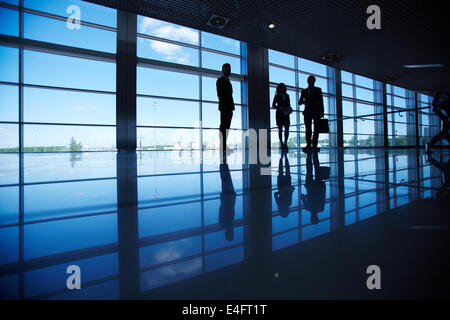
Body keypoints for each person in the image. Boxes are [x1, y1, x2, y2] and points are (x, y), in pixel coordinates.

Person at [299, 75, 324, 151]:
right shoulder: (304, 91)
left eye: (312, 81)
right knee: (308, 129)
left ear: (314, 81)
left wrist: (322, 112)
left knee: (316, 129)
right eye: (310, 80)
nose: (311, 82)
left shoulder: (318, 90)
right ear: (307, 81)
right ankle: (309, 145)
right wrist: (303, 102)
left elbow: (321, 102)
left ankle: (314, 145)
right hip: (307, 112)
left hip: (316, 112)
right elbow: (299, 102)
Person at [301, 150, 326, 224]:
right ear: (311, 218)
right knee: (309, 169)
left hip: (318, 187)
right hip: (310, 187)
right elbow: (303, 197)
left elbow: (322, 196)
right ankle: (309, 155)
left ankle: (314, 155)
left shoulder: (321, 209)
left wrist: (323, 186)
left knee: (317, 168)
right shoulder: (307, 208)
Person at [216, 63, 235, 154]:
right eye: (226, 69)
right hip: (224, 107)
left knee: (227, 127)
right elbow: (220, 94)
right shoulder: (220, 80)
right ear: (222, 70)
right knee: (223, 126)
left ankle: (224, 146)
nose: (228, 70)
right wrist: (225, 106)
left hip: (229, 107)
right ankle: (222, 146)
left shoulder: (228, 81)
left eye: (229, 69)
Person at [219, 162, 236, 241]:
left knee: (226, 179)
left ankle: (223, 164)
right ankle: (223, 164)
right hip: (227, 198)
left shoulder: (226, 224)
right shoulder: (226, 224)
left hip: (228, 198)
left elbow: (226, 209)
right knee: (226, 179)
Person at [274, 151, 295, 217]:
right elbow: (275, 194)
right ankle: (282, 158)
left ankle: (285, 158)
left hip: (287, 185)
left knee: (287, 170)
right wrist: (280, 192)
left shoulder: (289, 203)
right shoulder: (279, 204)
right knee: (281, 170)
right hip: (280, 185)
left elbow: (290, 193)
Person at [272, 83, 292, 151]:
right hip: (280, 114)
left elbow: (288, 104)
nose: (282, 88)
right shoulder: (276, 96)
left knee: (287, 128)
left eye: (283, 87)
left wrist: (288, 109)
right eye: (281, 87)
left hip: (286, 113)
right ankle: (281, 143)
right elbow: (273, 105)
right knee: (280, 129)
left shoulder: (287, 96)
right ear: (278, 88)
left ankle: (285, 143)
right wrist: (280, 107)